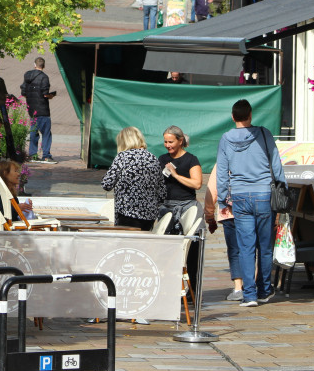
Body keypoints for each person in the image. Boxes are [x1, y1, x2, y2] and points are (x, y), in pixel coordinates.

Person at [215, 98, 286, 307]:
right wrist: (283, 193)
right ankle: (264, 290)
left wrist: (222, 199)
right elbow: (277, 166)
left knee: (245, 247)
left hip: (239, 196)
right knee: (265, 246)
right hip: (264, 195)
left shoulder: (226, 138)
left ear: (232, 117)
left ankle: (249, 295)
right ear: (250, 115)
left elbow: (221, 172)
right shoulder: (264, 134)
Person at [159, 125, 204, 296]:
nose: (168, 145)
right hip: (167, 207)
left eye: (171, 142)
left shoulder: (191, 160)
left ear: (180, 141)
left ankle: (192, 292)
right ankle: (168, 290)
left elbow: (197, 183)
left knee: (192, 249)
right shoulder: (162, 158)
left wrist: (176, 175)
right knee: (166, 250)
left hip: (187, 206)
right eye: (165, 142)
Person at [101, 127, 166, 230]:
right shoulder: (153, 158)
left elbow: (107, 184)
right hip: (149, 215)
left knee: (127, 244)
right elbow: (162, 192)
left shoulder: (123, 157)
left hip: (127, 212)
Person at [204, 166, 244, 301]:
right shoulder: (253, 157)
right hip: (250, 210)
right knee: (252, 249)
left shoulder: (222, 162)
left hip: (228, 212)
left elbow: (212, 189)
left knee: (234, 251)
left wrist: (209, 216)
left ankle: (238, 287)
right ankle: (252, 285)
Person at [21, 57, 57, 164]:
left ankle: (33, 155)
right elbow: (45, 94)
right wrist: (51, 96)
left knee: (34, 132)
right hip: (42, 109)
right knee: (46, 133)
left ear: (34, 64)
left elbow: (23, 93)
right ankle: (46, 156)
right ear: (44, 66)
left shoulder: (27, 76)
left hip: (31, 109)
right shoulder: (44, 77)